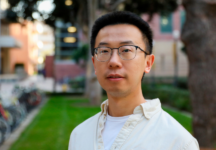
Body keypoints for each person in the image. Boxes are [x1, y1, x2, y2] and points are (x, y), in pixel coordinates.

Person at [68, 11, 199, 150]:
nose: (113, 62)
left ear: (148, 63)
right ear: (94, 64)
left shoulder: (178, 142)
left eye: (126, 50)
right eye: (104, 51)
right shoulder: (80, 135)